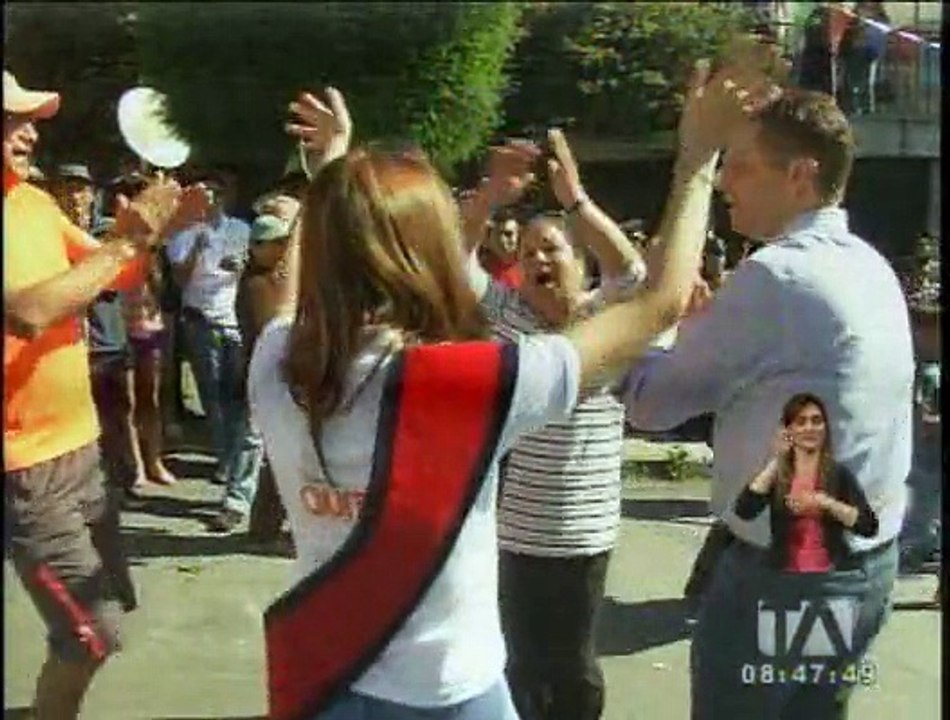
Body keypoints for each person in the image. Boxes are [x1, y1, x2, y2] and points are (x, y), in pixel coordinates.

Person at [250, 58, 770, 719]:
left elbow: (296, 292)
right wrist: (697, 155)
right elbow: (659, 300)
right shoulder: (477, 382)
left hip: (322, 682)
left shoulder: (276, 361)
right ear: (430, 254)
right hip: (453, 696)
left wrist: (331, 175)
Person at [622, 87, 914, 719]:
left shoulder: (777, 276)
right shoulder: (870, 266)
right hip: (862, 566)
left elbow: (649, 404)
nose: (726, 181)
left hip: (784, 577)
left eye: (743, 166)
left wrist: (646, 332)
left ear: (800, 176)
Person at [3, 70, 207, 720]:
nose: (28, 133)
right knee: (90, 635)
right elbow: (29, 312)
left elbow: (114, 276)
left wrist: (155, 232)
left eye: (30, 119)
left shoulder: (33, 204)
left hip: (83, 453)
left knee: (108, 611)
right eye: (11, 120)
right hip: (26, 472)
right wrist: (127, 239)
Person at [462, 128, 645, 720]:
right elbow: (455, 263)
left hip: (584, 535)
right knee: (518, 664)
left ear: (579, 263)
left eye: (552, 249)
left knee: (573, 666)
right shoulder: (509, 317)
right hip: (518, 532)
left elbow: (632, 271)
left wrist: (576, 200)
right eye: (528, 254)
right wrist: (489, 196)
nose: (538, 260)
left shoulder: (606, 317)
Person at [166, 173, 263, 532]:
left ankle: (233, 465)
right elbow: (179, 278)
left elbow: (259, 264)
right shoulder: (183, 232)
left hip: (234, 321)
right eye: (206, 194)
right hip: (199, 320)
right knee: (212, 397)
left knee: (236, 399)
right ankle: (226, 460)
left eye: (218, 194)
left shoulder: (241, 229)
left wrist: (243, 266)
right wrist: (198, 246)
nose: (212, 200)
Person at [734, 393, 879, 571]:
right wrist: (777, 460)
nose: (809, 428)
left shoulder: (839, 474)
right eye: (801, 422)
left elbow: (868, 526)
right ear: (788, 430)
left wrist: (826, 503)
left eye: (816, 421)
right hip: (785, 576)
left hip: (830, 574)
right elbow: (744, 511)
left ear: (825, 428)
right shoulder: (777, 475)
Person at [237, 212, 299, 547]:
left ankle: (269, 523)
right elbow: (272, 330)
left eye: (282, 242)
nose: (280, 248)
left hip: (281, 374)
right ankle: (261, 523)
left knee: (281, 454)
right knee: (271, 451)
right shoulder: (256, 285)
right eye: (273, 243)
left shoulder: (276, 278)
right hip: (269, 375)